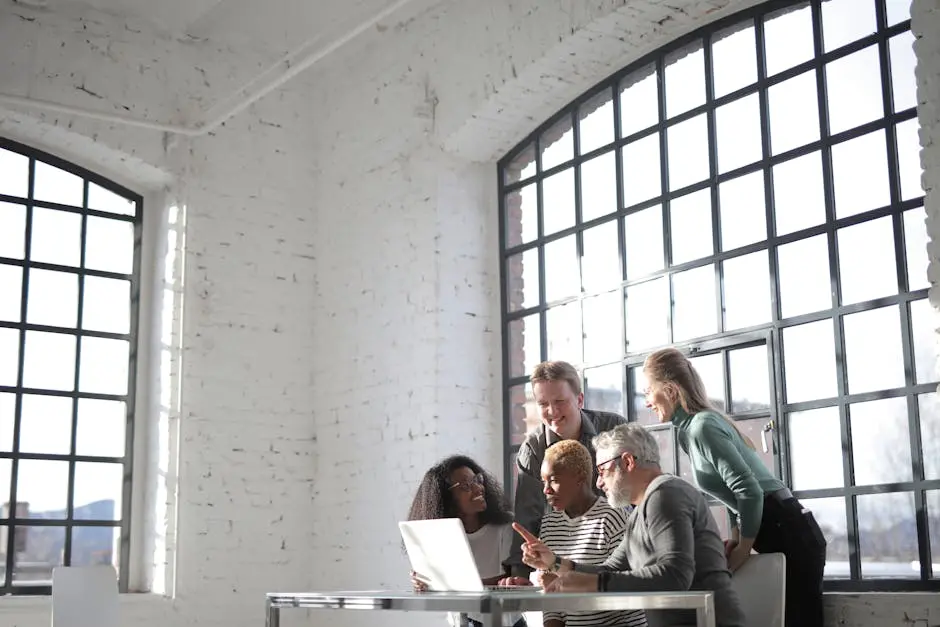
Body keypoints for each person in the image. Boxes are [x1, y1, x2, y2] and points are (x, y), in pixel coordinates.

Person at [642, 347, 826, 627]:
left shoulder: (702, 426)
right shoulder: (688, 433)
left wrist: (743, 550)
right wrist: (738, 537)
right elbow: (734, 494)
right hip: (776, 527)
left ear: (669, 390)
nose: (646, 402)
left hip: (788, 529)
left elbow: (749, 491)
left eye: (648, 391)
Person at [515, 424, 745, 627]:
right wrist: (554, 562)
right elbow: (611, 569)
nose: (598, 482)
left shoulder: (666, 495)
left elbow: (675, 575)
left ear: (627, 462)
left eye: (602, 470)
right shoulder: (640, 512)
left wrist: (593, 583)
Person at [506, 360, 627, 580]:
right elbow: (528, 517)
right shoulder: (533, 449)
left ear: (579, 399)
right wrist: (520, 574)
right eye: (543, 403)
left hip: (618, 546)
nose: (552, 411)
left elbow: (635, 494)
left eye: (560, 401)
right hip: (562, 555)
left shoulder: (613, 429)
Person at [527, 439, 647, 627]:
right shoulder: (549, 524)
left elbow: (623, 587)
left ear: (580, 478)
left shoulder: (612, 517)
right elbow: (552, 607)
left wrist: (561, 585)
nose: (546, 489)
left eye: (554, 480)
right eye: (544, 481)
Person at [406, 455, 526, 627]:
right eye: (466, 486)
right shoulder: (440, 535)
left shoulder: (505, 526)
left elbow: (509, 583)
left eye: (477, 480)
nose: (478, 488)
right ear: (446, 498)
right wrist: (425, 582)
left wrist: (443, 584)